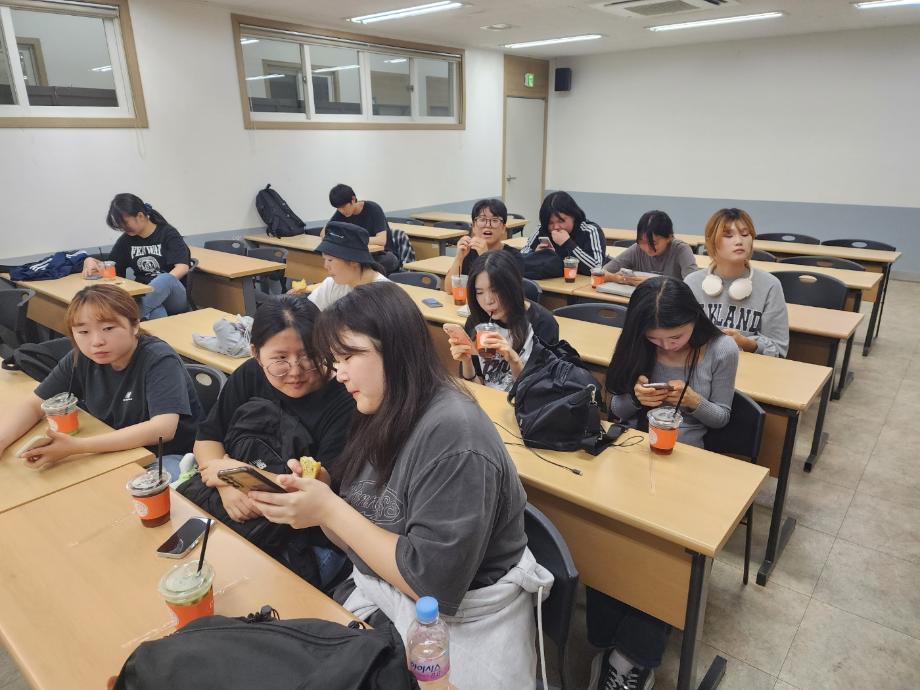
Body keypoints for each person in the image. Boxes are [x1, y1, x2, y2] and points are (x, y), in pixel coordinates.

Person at [248, 282, 551, 690]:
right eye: (335, 360)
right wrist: (320, 501)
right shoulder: (381, 408)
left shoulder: (454, 436)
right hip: (386, 598)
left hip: (453, 620)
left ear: (395, 349)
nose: (338, 373)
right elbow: (362, 535)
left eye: (348, 356)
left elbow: (433, 588)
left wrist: (330, 509)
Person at [590, 277, 738, 690]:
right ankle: (604, 641)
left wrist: (694, 402)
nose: (667, 346)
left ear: (694, 319)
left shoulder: (721, 350)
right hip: (633, 452)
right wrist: (636, 400)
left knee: (664, 560)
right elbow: (617, 408)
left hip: (688, 463)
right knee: (605, 538)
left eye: (676, 337)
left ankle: (630, 659)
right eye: (656, 340)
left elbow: (722, 418)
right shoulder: (638, 343)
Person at [190, 295, 355, 588]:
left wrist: (232, 473)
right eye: (280, 359)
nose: (295, 370)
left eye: (308, 355)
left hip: (306, 536)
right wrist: (227, 486)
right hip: (232, 509)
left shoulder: (345, 400)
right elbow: (207, 439)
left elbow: (317, 490)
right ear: (256, 353)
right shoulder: (250, 375)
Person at [0, 285, 202, 479]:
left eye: (108, 328)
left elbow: (163, 429)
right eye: (83, 332)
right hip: (115, 447)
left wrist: (77, 447)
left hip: (169, 456)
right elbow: (34, 404)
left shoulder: (158, 358)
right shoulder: (82, 357)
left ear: (134, 325)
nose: (97, 341)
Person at [447, 251, 558, 391]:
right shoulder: (477, 321)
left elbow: (540, 392)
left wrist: (514, 361)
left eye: (495, 290)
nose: (488, 301)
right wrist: (467, 361)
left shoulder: (542, 323)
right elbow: (478, 387)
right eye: (479, 292)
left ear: (512, 286)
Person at [685, 208, 789, 357]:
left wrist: (744, 342)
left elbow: (778, 350)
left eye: (745, 234)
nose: (739, 241)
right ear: (711, 242)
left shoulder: (770, 285)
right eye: (728, 236)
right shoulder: (692, 283)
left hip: (751, 367)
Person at [83, 193, 192, 320]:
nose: (123, 228)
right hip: (143, 294)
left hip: (173, 295)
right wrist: (90, 260)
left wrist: (155, 289)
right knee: (157, 312)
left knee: (165, 278)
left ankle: (128, 317)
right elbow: (112, 266)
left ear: (140, 216)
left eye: (125, 223)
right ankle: (141, 320)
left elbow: (182, 267)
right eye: (120, 225)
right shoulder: (126, 240)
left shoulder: (168, 233)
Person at [295, 221, 389, 310]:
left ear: (354, 260)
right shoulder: (332, 284)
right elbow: (309, 312)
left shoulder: (384, 294)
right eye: (325, 259)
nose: (326, 266)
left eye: (330, 260)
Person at [442, 198, 523, 295]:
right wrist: (459, 257)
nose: (488, 225)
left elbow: (504, 292)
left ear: (503, 228)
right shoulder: (468, 252)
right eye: (482, 220)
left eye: (495, 220)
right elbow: (449, 289)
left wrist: (485, 256)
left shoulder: (513, 257)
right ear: (473, 227)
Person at [602, 210, 698, 284]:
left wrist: (654, 283)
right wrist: (617, 278)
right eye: (642, 242)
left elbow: (693, 285)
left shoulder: (681, 250)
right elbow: (601, 273)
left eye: (654, 243)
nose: (647, 249)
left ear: (669, 237)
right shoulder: (637, 249)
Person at [523, 191, 605, 274]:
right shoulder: (542, 228)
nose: (556, 227)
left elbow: (597, 268)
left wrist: (568, 243)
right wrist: (535, 254)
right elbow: (522, 257)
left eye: (561, 221)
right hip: (550, 280)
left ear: (573, 216)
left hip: (580, 281)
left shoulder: (590, 230)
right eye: (550, 223)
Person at [328, 184, 400, 274]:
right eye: (338, 208)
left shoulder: (373, 209)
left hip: (383, 254)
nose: (341, 211)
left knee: (355, 265)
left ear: (353, 200)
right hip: (360, 254)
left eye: (343, 207)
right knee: (344, 262)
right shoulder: (341, 212)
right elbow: (324, 232)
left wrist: (354, 239)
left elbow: (381, 240)